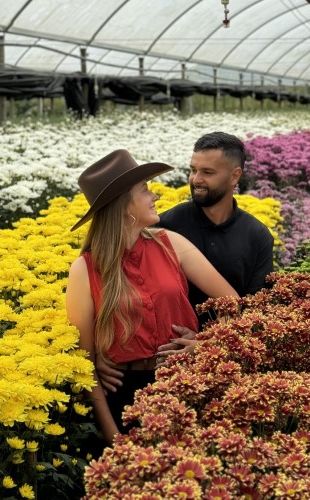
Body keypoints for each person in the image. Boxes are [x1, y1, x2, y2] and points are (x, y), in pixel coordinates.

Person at [65, 149, 238, 444]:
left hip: (183, 381)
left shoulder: (172, 243)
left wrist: (204, 344)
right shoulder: (84, 270)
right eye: (144, 189)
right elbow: (86, 366)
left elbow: (232, 303)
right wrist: (114, 438)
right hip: (123, 393)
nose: (154, 195)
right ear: (123, 205)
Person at [97, 132, 274, 391]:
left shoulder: (256, 235)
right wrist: (98, 354)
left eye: (207, 172)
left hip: (229, 364)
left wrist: (206, 344)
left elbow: (255, 310)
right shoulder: (165, 227)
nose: (195, 180)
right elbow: (118, 289)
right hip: (165, 362)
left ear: (234, 176)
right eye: (193, 170)